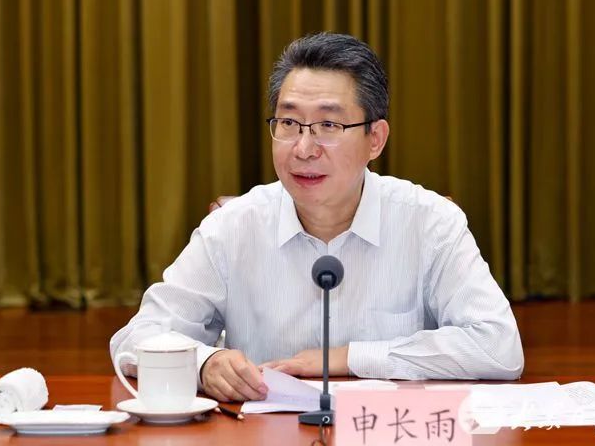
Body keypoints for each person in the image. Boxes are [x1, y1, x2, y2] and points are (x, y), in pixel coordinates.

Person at [110, 32, 524, 403]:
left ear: (375, 139)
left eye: (328, 124)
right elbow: (134, 339)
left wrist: (347, 358)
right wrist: (205, 363)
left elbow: (499, 348)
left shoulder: (431, 224)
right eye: (289, 123)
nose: (304, 149)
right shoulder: (232, 227)